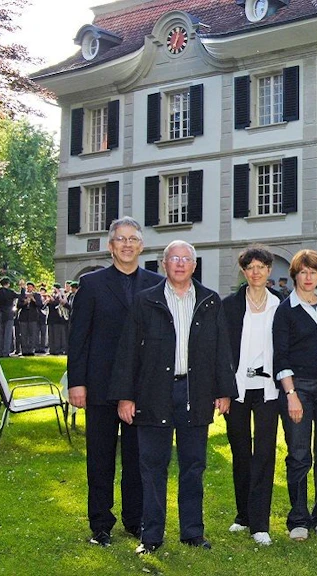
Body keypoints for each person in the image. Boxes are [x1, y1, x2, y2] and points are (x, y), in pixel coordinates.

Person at [110, 240, 237, 555]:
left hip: (196, 392)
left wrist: (224, 390)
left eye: (186, 259)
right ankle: (151, 535)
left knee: (194, 465)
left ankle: (192, 532)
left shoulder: (209, 301)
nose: (180, 263)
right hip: (154, 392)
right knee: (152, 466)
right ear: (164, 264)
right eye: (174, 258)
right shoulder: (146, 301)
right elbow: (127, 352)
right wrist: (125, 397)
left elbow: (222, 349)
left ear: (194, 266)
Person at [66, 216, 165, 548]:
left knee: (138, 459)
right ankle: (101, 522)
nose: (126, 244)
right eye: (120, 239)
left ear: (141, 245)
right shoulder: (92, 284)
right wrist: (76, 383)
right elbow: (78, 338)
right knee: (100, 458)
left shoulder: (155, 284)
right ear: (111, 246)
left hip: (140, 388)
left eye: (133, 239)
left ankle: (134, 519)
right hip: (99, 386)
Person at [272, 249, 317, 541]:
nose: (308, 277)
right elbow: (280, 356)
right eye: (303, 272)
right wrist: (291, 394)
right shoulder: (285, 310)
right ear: (295, 275)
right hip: (297, 388)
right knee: (299, 456)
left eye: (313, 272)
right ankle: (298, 517)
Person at [222, 245, 282, 546]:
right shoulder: (230, 305)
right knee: (241, 453)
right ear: (244, 272)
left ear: (269, 270)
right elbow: (221, 351)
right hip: (237, 391)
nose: (256, 272)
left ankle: (260, 523)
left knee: (264, 455)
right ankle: (243, 515)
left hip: (269, 391)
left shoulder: (280, 305)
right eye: (250, 267)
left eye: (261, 266)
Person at [0, 278, 18, 356]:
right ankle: (6, 351)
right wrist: (22, 288)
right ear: (8, 284)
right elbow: (20, 296)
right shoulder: (11, 292)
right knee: (8, 334)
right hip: (8, 314)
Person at [16, 282, 41, 356]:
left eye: (30, 287)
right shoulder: (22, 295)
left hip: (33, 317)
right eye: (28, 287)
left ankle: (31, 350)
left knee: (32, 334)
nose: (29, 288)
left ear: (33, 288)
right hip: (23, 317)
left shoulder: (37, 295)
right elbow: (18, 305)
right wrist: (25, 302)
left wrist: (33, 300)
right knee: (23, 334)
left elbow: (40, 305)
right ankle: (24, 350)